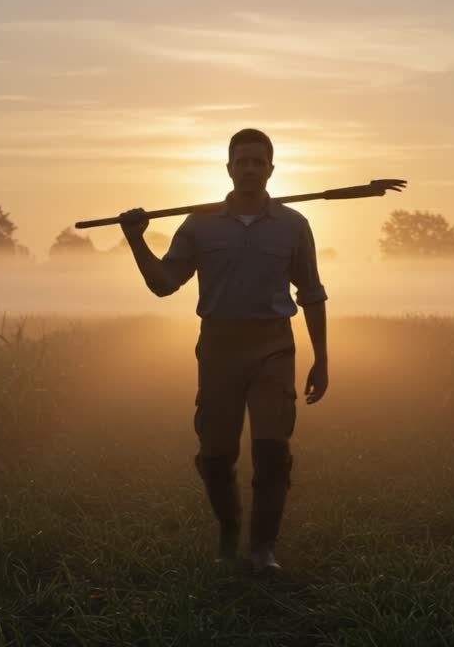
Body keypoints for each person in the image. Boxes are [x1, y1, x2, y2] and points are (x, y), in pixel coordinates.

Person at [119, 128, 329, 574]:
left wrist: (322, 358)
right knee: (216, 455)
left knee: (273, 448)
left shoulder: (294, 226)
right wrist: (137, 239)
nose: (250, 169)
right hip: (218, 347)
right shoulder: (199, 224)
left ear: (271, 169)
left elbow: (311, 293)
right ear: (229, 168)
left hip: (274, 345)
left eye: (259, 162)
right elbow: (162, 284)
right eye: (242, 162)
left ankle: (263, 548)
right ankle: (229, 534)